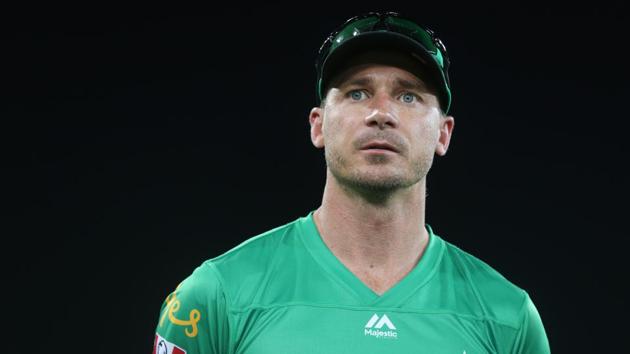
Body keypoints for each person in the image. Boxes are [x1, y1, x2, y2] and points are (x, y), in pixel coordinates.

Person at [151, 12, 550, 353]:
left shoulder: (508, 318)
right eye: (357, 93)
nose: (381, 113)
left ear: (444, 133)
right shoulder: (214, 297)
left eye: (408, 96)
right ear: (318, 124)